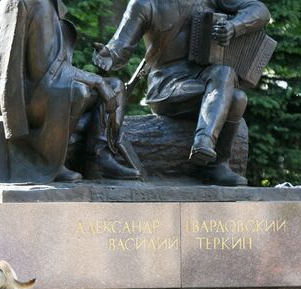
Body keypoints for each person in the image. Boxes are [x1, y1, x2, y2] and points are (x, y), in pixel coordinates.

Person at [93, 0, 271, 186]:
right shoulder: (145, 4)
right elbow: (120, 49)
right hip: (167, 85)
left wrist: (234, 26)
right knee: (230, 89)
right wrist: (107, 55)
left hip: (207, 81)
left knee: (237, 97)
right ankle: (205, 147)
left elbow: (260, 11)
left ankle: (214, 161)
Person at [0, 0, 140, 184]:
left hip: (26, 84)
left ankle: (99, 158)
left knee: (115, 87)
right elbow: (45, 69)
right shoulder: (36, 3)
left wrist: (101, 81)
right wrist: (97, 80)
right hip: (14, 92)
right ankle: (50, 161)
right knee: (77, 91)